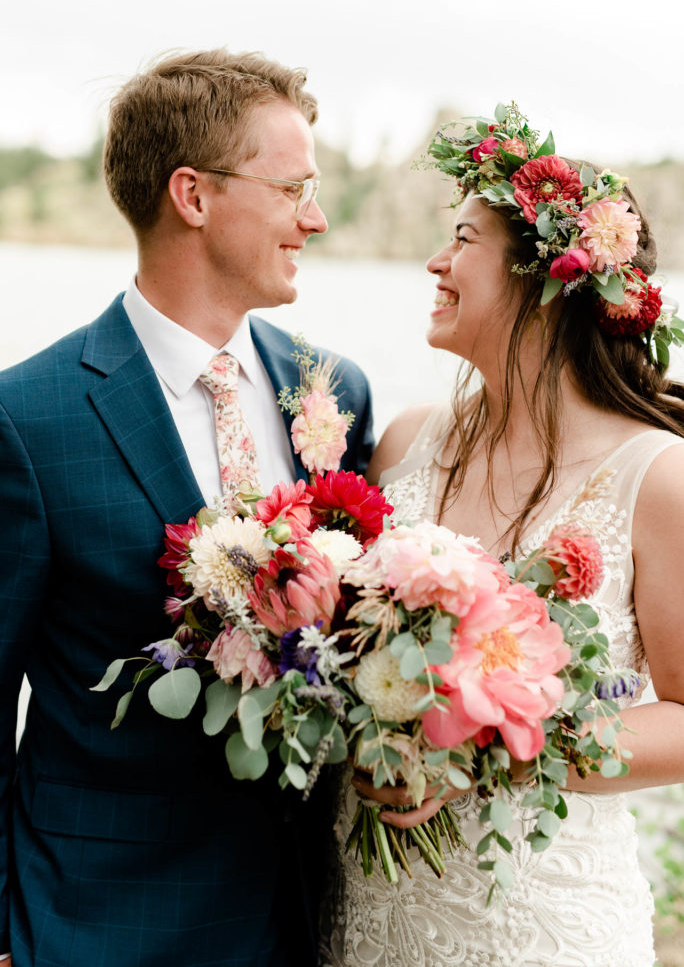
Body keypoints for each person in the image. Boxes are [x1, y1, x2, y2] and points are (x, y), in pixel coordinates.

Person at [0, 49, 373, 967]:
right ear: (193, 196)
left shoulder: (331, 391)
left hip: (296, 912)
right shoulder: (27, 417)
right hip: (93, 921)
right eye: (294, 189)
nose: (316, 220)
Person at [320, 108, 684, 967]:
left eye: (461, 239)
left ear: (544, 281)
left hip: (538, 927)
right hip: (369, 918)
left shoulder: (654, 477)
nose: (435, 262)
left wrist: (491, 752)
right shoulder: (407, 441)